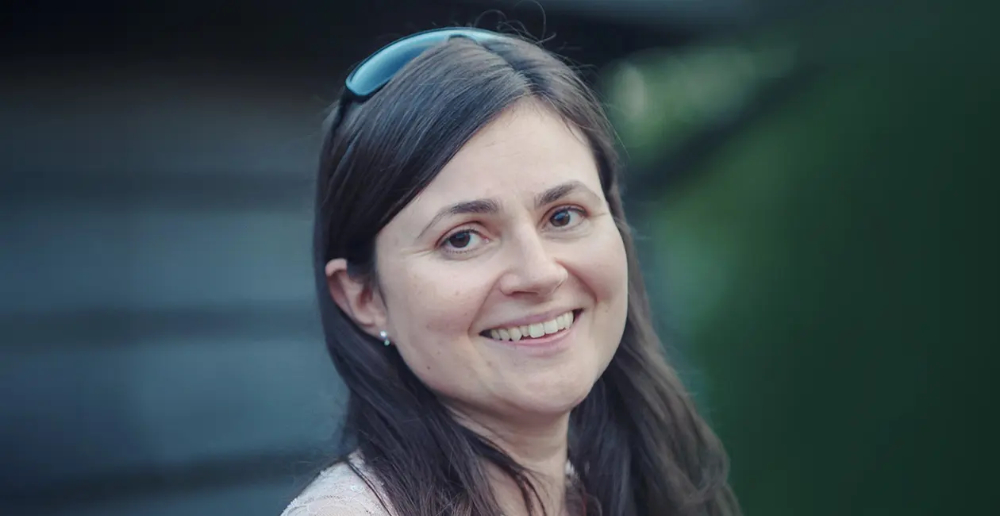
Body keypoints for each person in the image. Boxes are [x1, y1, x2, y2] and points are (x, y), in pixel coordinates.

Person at [282, 27, 740, 516]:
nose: (539, 274)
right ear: (363, 298)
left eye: (563, 216)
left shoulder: (628, 490)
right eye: (462, 238)